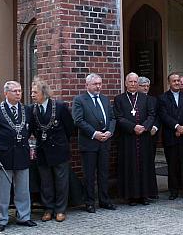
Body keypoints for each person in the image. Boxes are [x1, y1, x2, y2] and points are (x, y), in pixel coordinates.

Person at [0, 80, 35, 231]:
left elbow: (29, 130)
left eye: (20, 91)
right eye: (15, 91)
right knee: (2, 191)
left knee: (23, 189)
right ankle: (2, 218)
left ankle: (24, 216)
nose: (18, 94)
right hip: (3, 155)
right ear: (6, 93)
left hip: (22, 153)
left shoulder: (26, 110)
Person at [30, 77, 74, 222]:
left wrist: (62, 143)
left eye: (35, 92)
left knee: (61, 181)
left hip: (59, 150)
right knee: (46, 182)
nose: (32, 95)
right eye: (32, 92)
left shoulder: (59, 106)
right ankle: (48, 208)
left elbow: (69, 128)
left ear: (44, 93)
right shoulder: (33, 109)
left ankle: (60, 209)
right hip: (43, 150)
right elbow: (34, 130)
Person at [72, 73, 116, 213]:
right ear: (87, 85)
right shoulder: (80, 100)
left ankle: (104, 200)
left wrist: (110, 131)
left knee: (103, 173)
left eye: (100, 84)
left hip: (104, 141)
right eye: (95, 84)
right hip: (89, 142)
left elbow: (113, 118)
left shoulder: (104, 99)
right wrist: (94, 134)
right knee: (89, 174)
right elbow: (78, 120)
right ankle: (89, 202)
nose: (98, 86)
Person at [114, 72, 157, 205]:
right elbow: (118, 117)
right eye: (130, 82)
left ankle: (145, 195)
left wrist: (144, 127)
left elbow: (152, 115)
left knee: (144, 165)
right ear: (126, 83)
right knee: (130, 166)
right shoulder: (119, 99)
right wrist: (133, 127)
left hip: (144, 138)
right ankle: (131, 196)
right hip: (128, 138)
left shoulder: (145, 99)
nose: (133, 84)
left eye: (135, 82)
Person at [158, 72, 183, 201]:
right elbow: (164, 115)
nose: (177, 83)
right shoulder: (162, 98)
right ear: (169, 83)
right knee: (172, 165)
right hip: (171, 136)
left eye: (178, 80)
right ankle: (173, 191)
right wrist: (176, 126)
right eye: (174, 81)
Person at [139, 76, 160, 199]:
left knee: (150, 164)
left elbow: (157, 115)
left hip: (151, 135)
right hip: (138, 134)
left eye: (147, 86)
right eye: (143, 86)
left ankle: (151, 191)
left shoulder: (153, 99)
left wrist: (155, 127)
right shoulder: (134, 100)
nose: (146, 88)